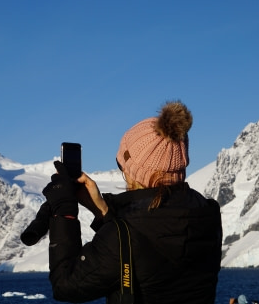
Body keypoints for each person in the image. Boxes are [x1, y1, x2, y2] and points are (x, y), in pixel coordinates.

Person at [40, 100, 223, 304]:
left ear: (133, 172)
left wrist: (64, 212)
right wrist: (102, 210)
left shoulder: (122, 238)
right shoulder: (209, 214)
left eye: (121, 165)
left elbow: (65, 285)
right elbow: (151, 238)